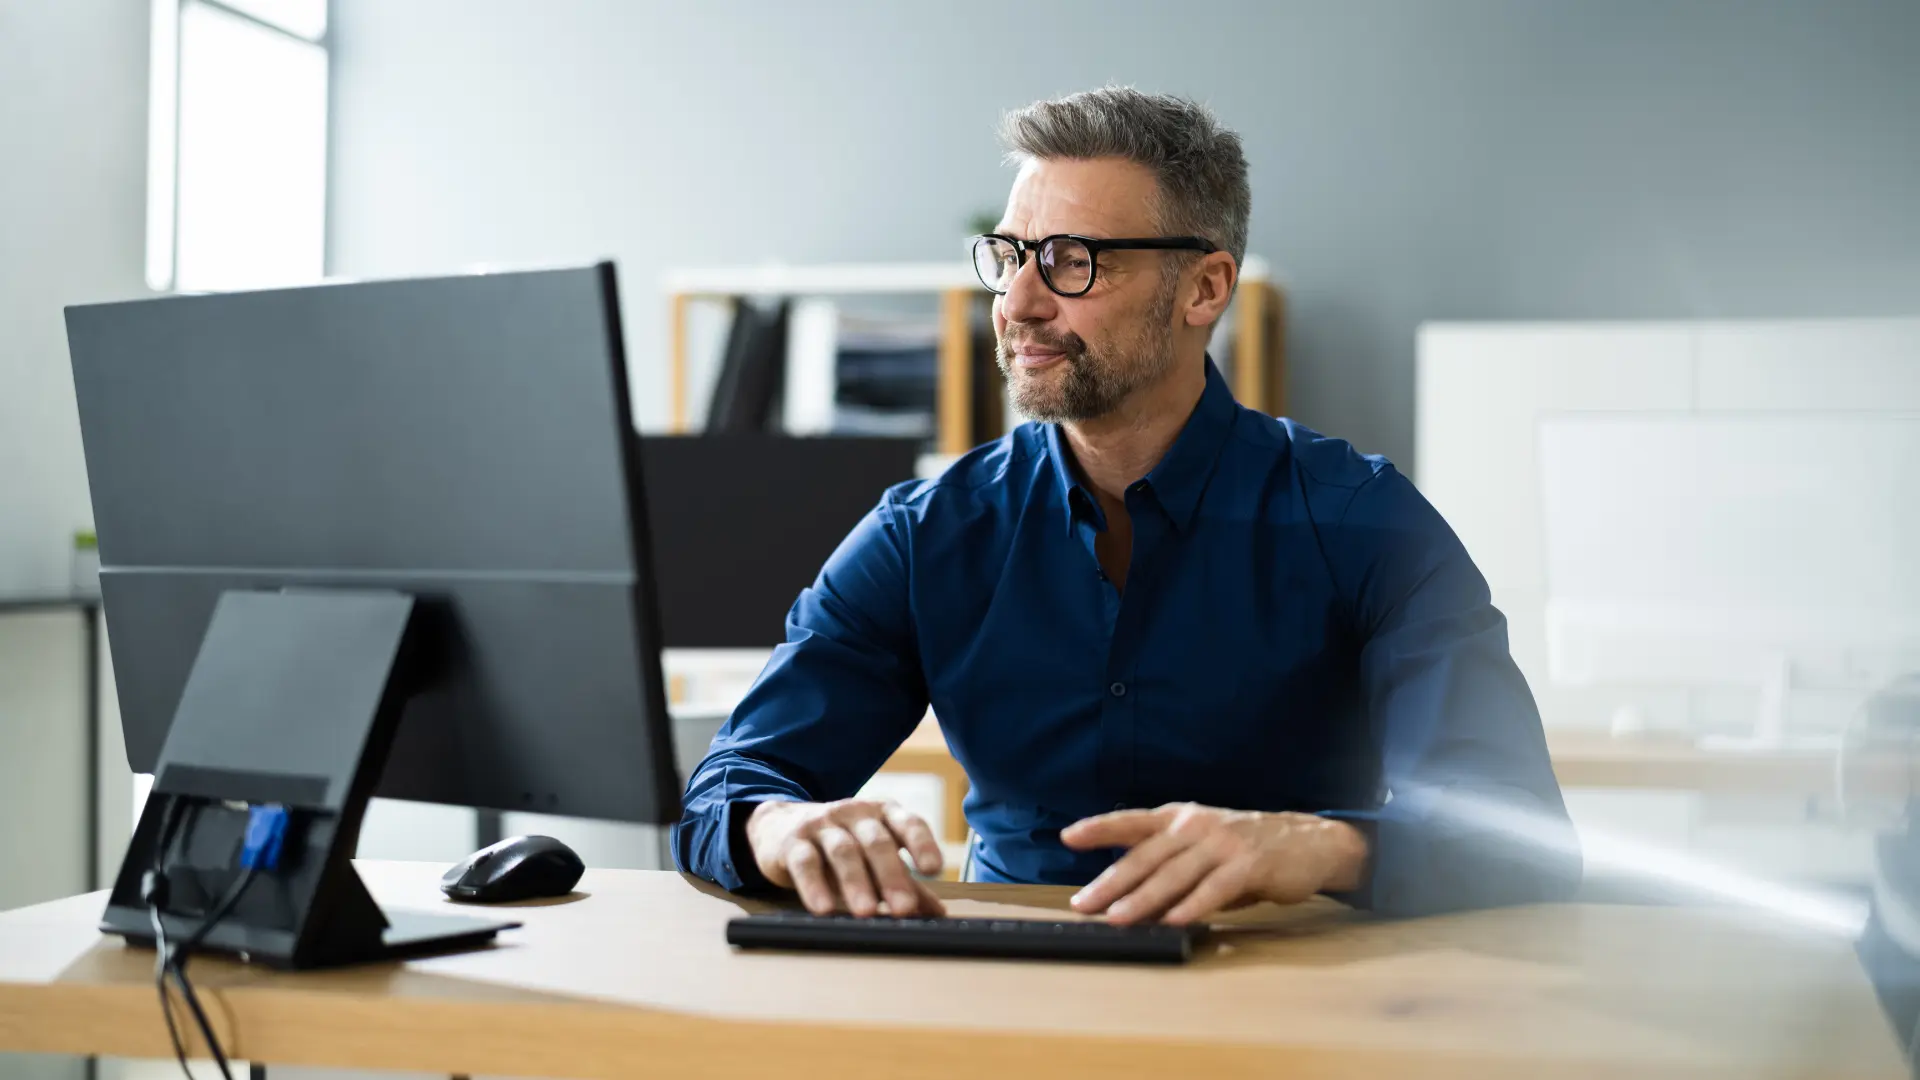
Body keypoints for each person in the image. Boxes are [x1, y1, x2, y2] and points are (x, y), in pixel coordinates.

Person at [672, 86, 1580, 924]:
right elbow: (728, 788)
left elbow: (1521, 840)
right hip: (1004, 1001)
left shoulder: (1364, 522)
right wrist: (779, 828)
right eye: (1011, 256)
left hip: (1284, 999)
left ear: (1206, 287)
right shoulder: (925, 533)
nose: (1019, 302)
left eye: (1073, 262)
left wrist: (1318, 844)